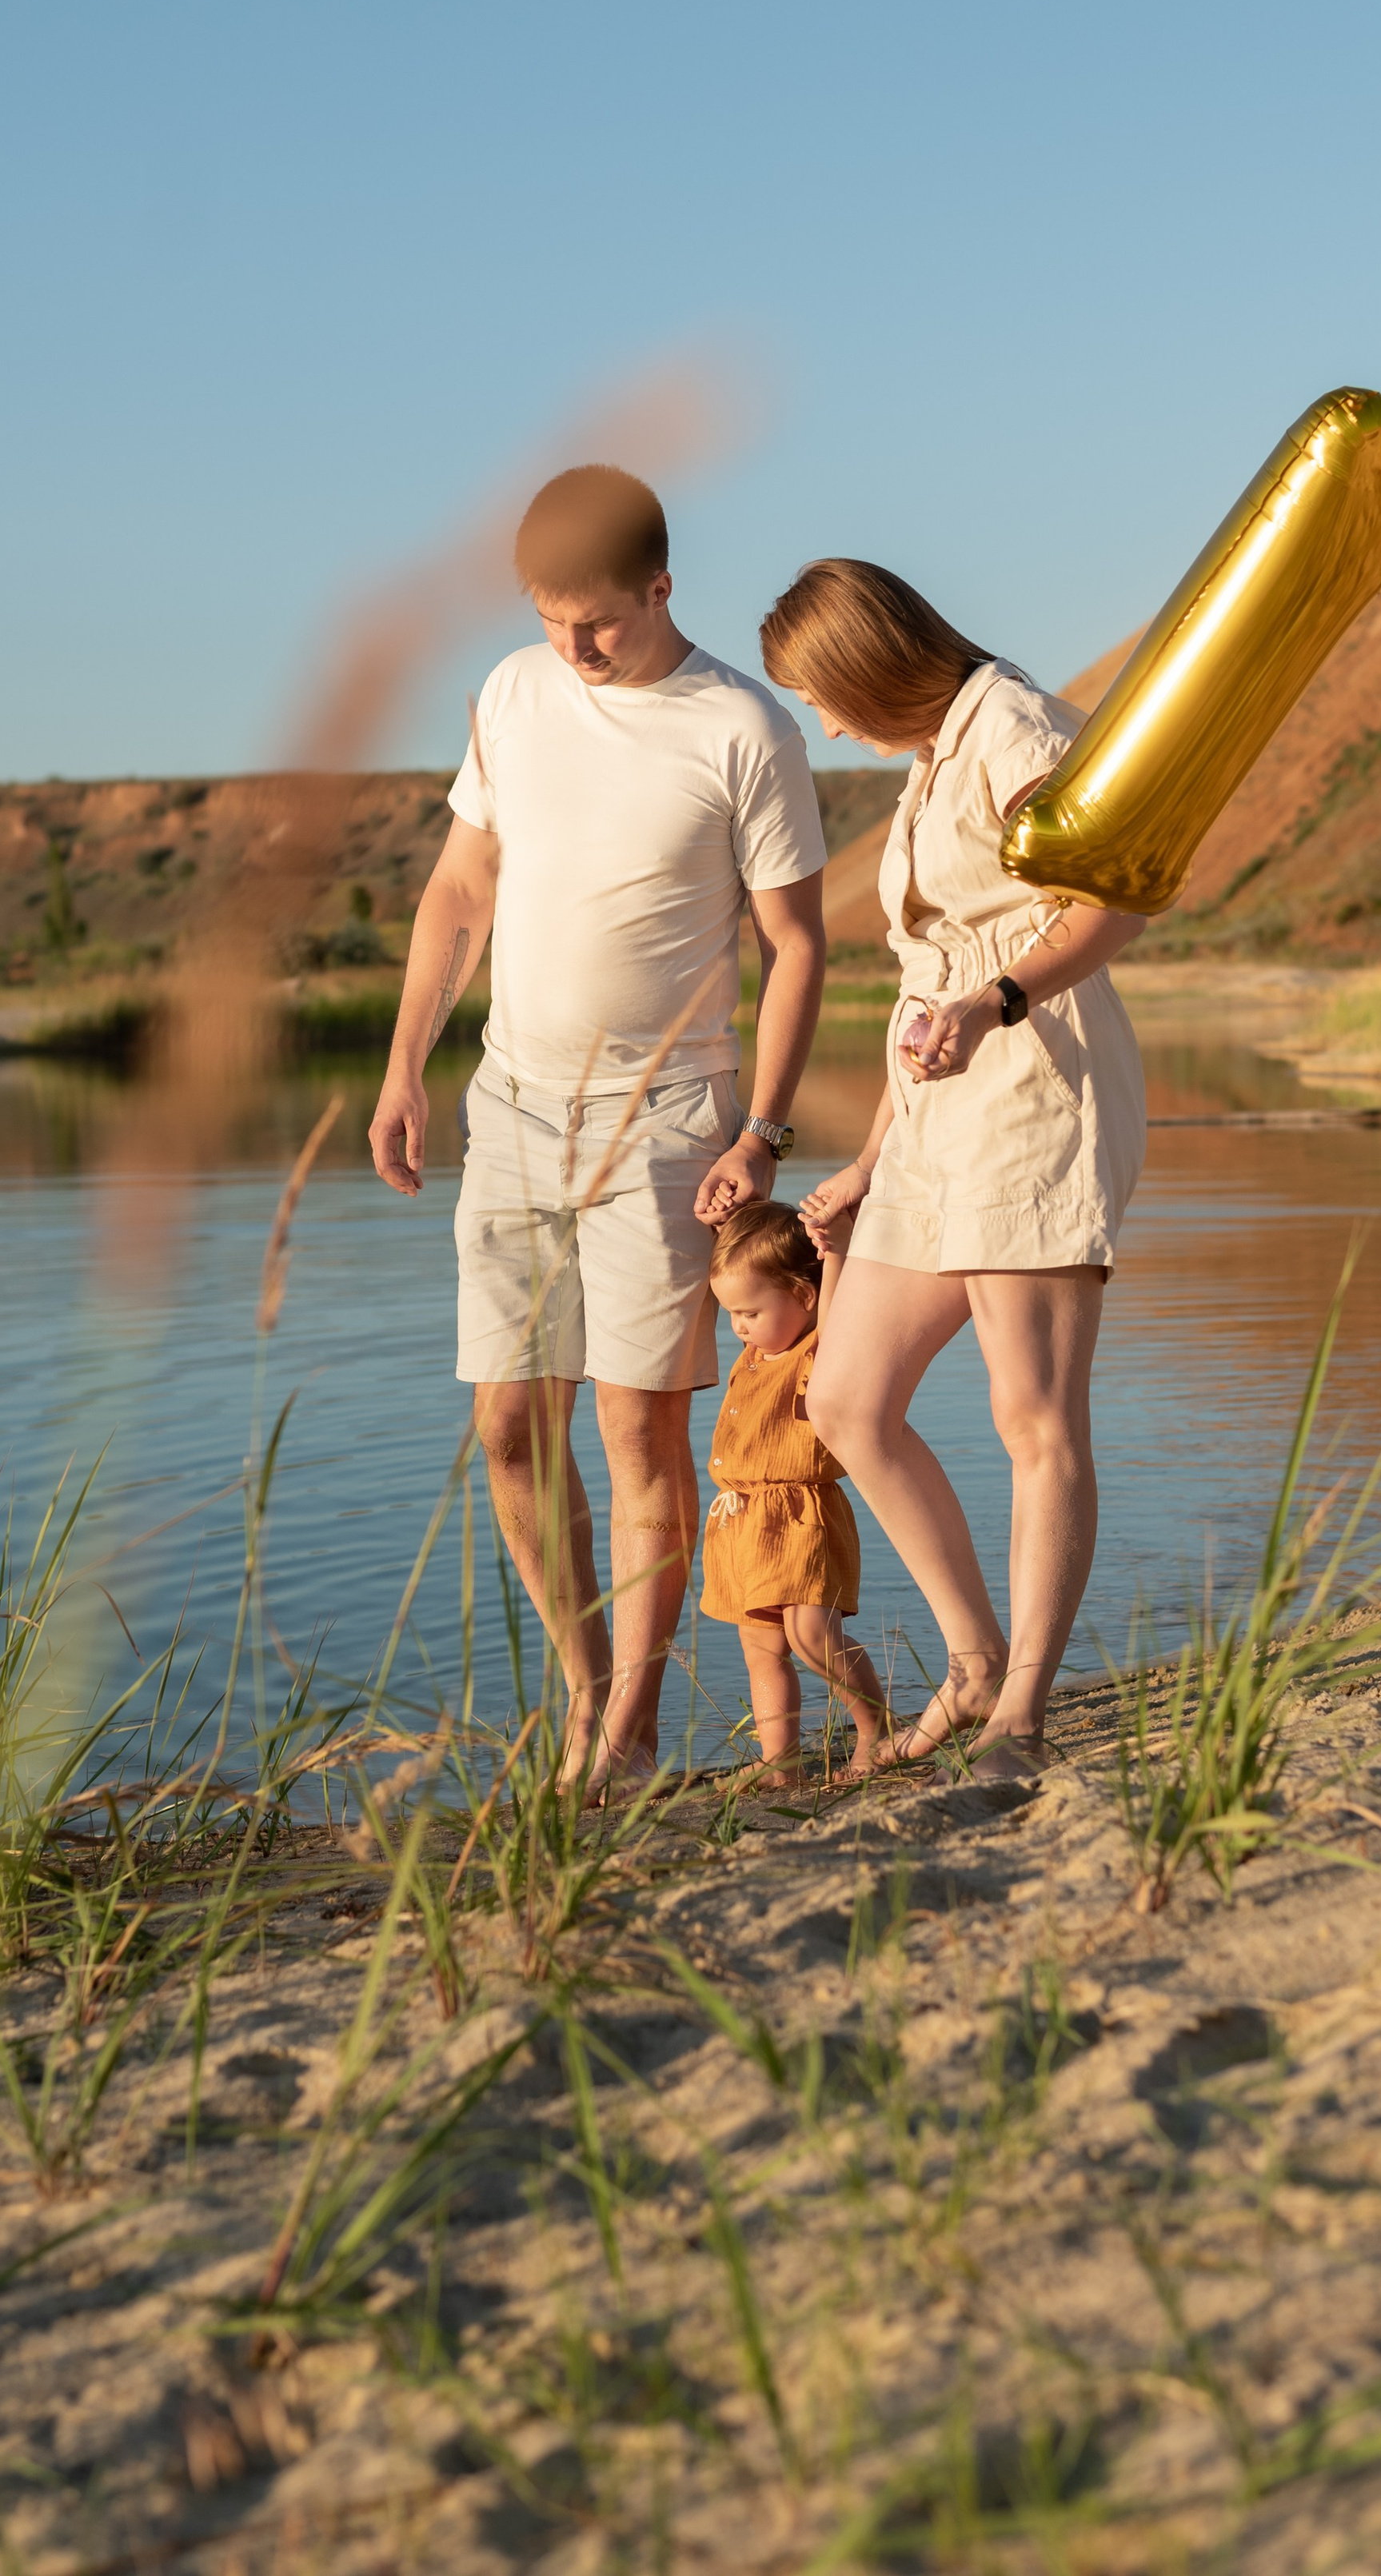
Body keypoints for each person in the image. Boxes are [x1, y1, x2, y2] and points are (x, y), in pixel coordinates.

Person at [368, 465, 828, 1791]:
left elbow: (796, 949)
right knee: (509, 1428)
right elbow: (463, 884)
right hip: (510, 1109)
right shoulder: (514, 693)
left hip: (669, 1128)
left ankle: (625, 1739)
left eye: (599, 625)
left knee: (640, 1436)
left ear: (662, 587)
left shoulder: (744, 730)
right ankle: (582, 1697)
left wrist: (764, 1135)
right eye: (548, 619)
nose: (570, 649)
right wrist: (406, 1064)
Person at [761, 559, 1148, 1776]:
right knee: (846, 1400)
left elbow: (1121, 893)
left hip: (1037, 1082)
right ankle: (974, 1658)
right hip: (938, 1110)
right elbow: (925, 990)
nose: (823, 722)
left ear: (867, 663)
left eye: (822, 694)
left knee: (1032, 1412)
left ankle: (1024, 1714)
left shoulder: (1014, 725)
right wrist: (872, 1157)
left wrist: (1000, 998)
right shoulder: (932, 758)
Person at [702, 1198, 891, 1781]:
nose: (737, 1324)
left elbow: (836, 1312)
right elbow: (750, 1267)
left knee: (812, 1635)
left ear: (803, 1298)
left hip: (802, 1514)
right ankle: (779, 1760)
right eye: (730, 1311)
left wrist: (832, 1253)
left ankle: (875, 1727)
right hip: (744, 1521)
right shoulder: (756, 1351)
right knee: (762, 1649)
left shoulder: (818, 1351)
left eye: (749, 1310)